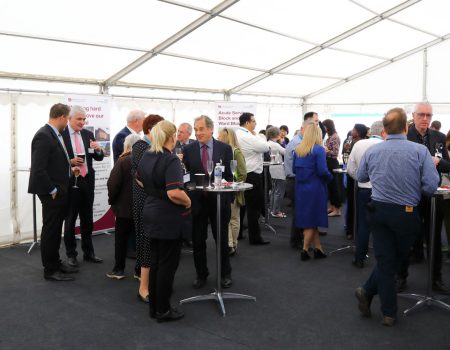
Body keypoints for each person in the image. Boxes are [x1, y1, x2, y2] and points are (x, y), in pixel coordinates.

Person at [355, 107, 439, 326]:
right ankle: (388, 312)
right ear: (406, 127)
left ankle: (368, 292)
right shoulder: (419, 152)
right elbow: (431, 186)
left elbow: (361, 176)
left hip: (379, 210)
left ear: (384, 129)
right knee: (391, 260)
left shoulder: (372, 151)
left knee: (385, 260)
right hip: (406, 214)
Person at [137, 120, 191, 322]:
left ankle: (155, 308)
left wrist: (155, 191)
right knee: (167, 265)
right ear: (172, 136)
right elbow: (175, 192)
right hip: (167, 216)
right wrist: (188, 203)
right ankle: (163, 310)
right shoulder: (171, 160)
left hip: (150, 212)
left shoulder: (147, 155)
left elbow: (139, 180)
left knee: (156, 262)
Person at [397, 102, 450, 294]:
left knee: (434, 238)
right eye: (421, 115)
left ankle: (436, 278)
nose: (425, 119)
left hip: (433, 196)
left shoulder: (439, 137)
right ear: (413, 115)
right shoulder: (404, 137)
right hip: (408, 195)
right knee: (404, 237)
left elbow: (448, 164)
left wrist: (439, 161)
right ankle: (400, 277)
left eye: (429, 115)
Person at [183, 115, 234, 289]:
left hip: (219, 201)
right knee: (198, 240)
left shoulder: (225, 148)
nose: (198, 133)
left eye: (201, 129)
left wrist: (226, 198)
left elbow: (229, 177)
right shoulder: (189, 149)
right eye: (196, 129)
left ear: (211, 129)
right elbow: (187, 176)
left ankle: (225, 274)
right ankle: (201, 274)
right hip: (197, 203)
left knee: (221, 240)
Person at [28, 103, 78, 281]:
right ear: (62, 117)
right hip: (51, 192)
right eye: (68, 118)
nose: (68, 122)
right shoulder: (43, 135)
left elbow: (55, 162)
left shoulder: (54, 134)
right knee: (51, 230)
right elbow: (38, 169)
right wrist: (52, 189)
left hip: (60, 190)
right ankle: (50, 269)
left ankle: (56, 262)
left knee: (56, 230)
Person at [62, 106, 104, 267]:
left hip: (87, 180)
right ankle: (71, 254)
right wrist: (70, 162)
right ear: (69, 119)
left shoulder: (88, 134)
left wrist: (98, 149)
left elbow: (98, 157)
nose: (82, 122)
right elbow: (57, 159)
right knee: (71, 218)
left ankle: (89, 252)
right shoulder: (62, 135)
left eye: (83, 119)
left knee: (87, 218)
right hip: (72, 181)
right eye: (79, 119)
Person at [132, 114, 164, 303]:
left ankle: (149, 281)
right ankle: (143, 287)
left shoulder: (151, 147)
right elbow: (142, 175)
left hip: (152, 200)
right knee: (145, 240)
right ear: (151, 129)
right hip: (144, 201)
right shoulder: (140, 146)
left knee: (151, 242)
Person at [347, 121, 384, 268]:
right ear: (383, 132)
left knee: (364, 225)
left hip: (364, 190)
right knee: (383, 226)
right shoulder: (386, 145)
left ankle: (359, 258)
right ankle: (383, 261)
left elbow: (350, 169)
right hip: (383, 192)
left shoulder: (359, 144)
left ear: (371, 131)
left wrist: (362, 179)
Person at [294, 124, 333, 261]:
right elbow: (322, 170)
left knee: (309, 218)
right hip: (315, 188)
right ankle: (304, 250)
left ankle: (318, 249)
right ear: (318, 135)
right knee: (312, 219)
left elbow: (294, 170)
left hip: (301, 188)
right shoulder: (319, 150)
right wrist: (330, 178)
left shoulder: (298, 150)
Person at [106, 134, 141, 280]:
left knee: (120, 240)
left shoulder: (122, 161)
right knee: (140, 241)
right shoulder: (145, 160)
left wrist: (112, 200)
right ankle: (140, 272)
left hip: (123, 208)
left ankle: (118, 269)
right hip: (141, 207)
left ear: (127, 145)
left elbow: (113, 184)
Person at [235, 112, 271, 245]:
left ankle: (237, 233)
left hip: (241, 173)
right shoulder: (248, 136)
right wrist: (258, 136)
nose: (256, 124)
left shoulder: (236, 134)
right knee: (254, 207)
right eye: (254, 121)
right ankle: (255, 237)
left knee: (241, 206)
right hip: (252, 174)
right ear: (247, 123)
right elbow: (265, 147)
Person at [284, 112, 318, 249]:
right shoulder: (299, 144)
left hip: (296, 180)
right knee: (299, 212)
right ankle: (296, 241)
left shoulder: (299, 142)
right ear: (303, 129)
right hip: (295, 180)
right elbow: (298, 167)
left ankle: (300, 239)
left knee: (301, 211)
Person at [218, 127, 247, 256]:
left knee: (233, 219)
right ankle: (230, 244)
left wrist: (234, 186)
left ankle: (232, 243)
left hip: (233, 191)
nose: (218, 138)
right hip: (223, 190)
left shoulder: (236, 152)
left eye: (220, 136)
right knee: (226, 218)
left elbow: (242, 174)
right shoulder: (221, 152)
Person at [345, 124, 368, 240]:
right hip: (354, 177)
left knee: (356, 205)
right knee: (351, 204)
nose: (351, 131)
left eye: (354, 130)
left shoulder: (360, 144)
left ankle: (354, 229)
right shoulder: (350, 142)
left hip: (357, 178)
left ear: (358, 132)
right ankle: (350, 228)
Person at [322, 119, 342, 217]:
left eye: (324, 126)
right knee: (330, 186)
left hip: (332, 162)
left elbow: (335, 153)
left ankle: (337, 209)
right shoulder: (330, 136)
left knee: (334, 187)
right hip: (329, 162)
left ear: (328, 126)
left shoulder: (334, 137)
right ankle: (333, 207)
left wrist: (324, 151)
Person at [266, 126, 286, 218]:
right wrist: (282, 143)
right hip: (277, 170)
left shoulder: (268, 143)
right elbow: (286, 152)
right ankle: (276, 211)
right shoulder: (276, 145)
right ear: (276, 135)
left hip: (272, 170)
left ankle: (272, 209)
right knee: (279, 191)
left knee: (274, 191)